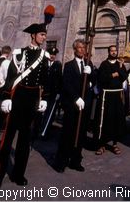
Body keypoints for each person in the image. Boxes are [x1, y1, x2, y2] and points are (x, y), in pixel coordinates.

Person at [0, 23, 50, 188]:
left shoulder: (45, 56)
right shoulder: (19, 53)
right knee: (7, 139)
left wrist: (44, 98)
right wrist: (7, 97)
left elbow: (45, 79)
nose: (44, 38)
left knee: (25, 140)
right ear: (33, 35)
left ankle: (18, 174)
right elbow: (11, 77)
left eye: (45, 35)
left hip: (32, 100)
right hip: (18, 96)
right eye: (41, 34)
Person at [54, 39, 95, 172]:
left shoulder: (88, 64)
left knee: (81, 134)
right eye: (79, 48)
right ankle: (61, 162)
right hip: (72, 104)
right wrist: (76, 98)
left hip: (85, 106)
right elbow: (66, 84)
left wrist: (91, 74)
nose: (82, 50)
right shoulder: (69, 65)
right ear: (75, 49)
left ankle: (76, 160)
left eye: (84, 47)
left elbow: (94, 82)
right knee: (68, 133)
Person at [93, 45, 127, 155]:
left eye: (115, 51)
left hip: (117, 95)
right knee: (104, 119)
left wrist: (120, 68)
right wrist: (114, 74)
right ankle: (101, 144)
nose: (113, 52)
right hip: (106, 96)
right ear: (108, 52)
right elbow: (101, 78)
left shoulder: (120, 64)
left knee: (116, 119)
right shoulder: (104, 64)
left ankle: (115, 144)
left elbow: (124, 76)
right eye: (111, 51)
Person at [40, 47, 62, 139]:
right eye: (51, 54)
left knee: (50, 113)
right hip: (42, 93)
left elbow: (60, 79)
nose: (52, 56)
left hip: (53, 93)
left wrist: (59, 93)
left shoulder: (58, 65)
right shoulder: (43, 63)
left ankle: (44, 132)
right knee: (40, 112)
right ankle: (37, 130)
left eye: (54, 55)